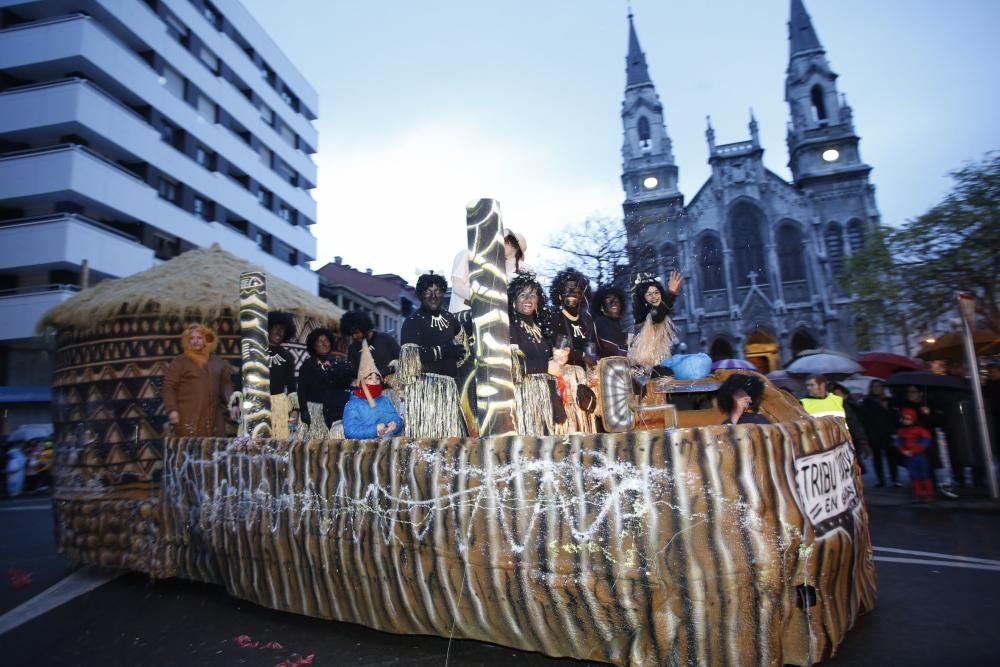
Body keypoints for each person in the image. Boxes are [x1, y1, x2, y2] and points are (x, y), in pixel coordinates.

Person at [399, 273, 466, 437]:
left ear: (443, 293)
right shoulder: (413, 321)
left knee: (450, 438)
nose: (434, 296)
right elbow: (410, 359)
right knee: (429, 438)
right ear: (420, 294)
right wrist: (444, 351)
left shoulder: (450, 319)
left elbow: (463, 347)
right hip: (425, 390)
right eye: (428, 291)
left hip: (449, 388)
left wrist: (459, 353)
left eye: (438, 291)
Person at [508, 272, 565, 435]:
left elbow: (549, 364)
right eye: (522, 295)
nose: (528, 299)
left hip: (546, 395)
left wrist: (556, 358)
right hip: (526, 398)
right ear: (513, 299)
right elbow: (513, 367)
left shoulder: (540, 328)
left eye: (532, 295)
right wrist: (546, 366)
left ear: (538, 300)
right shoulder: (511, 327)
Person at [549, 268, 599, 433]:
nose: (572, 294)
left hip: (584, 379)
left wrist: (592, 366)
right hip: (565, 379)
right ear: (559, 294)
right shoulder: (555, 317)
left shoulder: (586, 320)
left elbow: (592, 348)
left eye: (576, 290)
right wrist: (582, 355)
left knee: (586, 424)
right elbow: (557, 348)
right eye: (567, 290)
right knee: (569, 426)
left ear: (582, 294)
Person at [163, 324, 233, 437]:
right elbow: (169, 387)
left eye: (199, 338)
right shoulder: (180, 362)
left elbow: (225, 384)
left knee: (215, 451)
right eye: (192, 338)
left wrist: (232, 404)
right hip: (188, 416)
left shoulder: (217, 361)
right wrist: (172, 410)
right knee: (190, 450)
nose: (195, 341)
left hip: (214, 416)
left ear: (207, 339)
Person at [449, 229, 530, 312]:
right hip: (461, 313)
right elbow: (457, 287)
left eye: (507, 241)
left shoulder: (496, 265)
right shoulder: (465, 254)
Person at [298, 327, 354, 440]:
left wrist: (332, 369)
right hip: (315, 410)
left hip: (334, 412)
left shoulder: (337, 362)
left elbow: (345, 384)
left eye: (326, 341)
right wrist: (303, 410)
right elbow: (302, 389)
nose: (324, 344)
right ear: (314, 345)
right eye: (320, 341)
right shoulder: (307, 365)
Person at [342, 342, 404, 440]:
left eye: (377, 378)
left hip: (386, 446)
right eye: (370, 378)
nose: (375, 380)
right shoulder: (353, 404)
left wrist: (395, 424)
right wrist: (374, 430)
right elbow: (350, 431)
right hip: (363, 450)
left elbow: (395, 417)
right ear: (362, 382)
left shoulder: (384, 400)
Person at [628, 271, 683, 369]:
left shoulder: (660, 314)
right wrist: (671, 294)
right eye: (648, 294)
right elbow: (657, 316)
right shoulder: (645, 315)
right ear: (643, 298)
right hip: (644, 368)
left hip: (656, 364)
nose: (654, 297)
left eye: (656, 292)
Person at [861, 379, 902, 487]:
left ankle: (894, 479)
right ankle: (880, 480)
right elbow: (864, 420)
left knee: (892, 457)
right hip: (875, 434)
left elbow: (895, 416)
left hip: (890, 433)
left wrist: (896, 430)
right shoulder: (867, 402)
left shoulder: (890, 401)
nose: (877, 389)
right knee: (877, 457)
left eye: (879, 386)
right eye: (874, 386)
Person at [266, 311, 300, 439]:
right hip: (256, 401)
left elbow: (291, 384)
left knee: (279, 443)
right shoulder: (255, 352)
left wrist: (295, 409)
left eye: (282, 330)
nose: (279, 332)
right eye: (275, 328)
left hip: (278, 404)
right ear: (268, 329)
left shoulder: (287, 356)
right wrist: (236, 403)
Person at [341, 310, 400, 379]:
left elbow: (401, 361)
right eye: (351, 334)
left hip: (390, 386)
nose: (354, 336)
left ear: (364, 327)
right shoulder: (352, 348)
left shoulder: (386, 339)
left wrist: (382, 372)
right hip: (366, 388)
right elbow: (353, 373)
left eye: (356, 332)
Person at [894, 407, 934, 502]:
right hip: (911, 456)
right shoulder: (901, 431)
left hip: (919, 456)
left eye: (908, 419)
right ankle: (918, 493)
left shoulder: (921, 430)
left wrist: (913, 451)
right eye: (905, 419)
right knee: (914, 476)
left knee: (924, 475)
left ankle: (929, 494)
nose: (906, 421)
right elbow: (899, 443)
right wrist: (903, 451)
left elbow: (925, 442)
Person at [831, 382, 871, 464]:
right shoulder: (831, 408)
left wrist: (863, 442)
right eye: (835, 394)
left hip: (851, 440)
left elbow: (856, 425)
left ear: (845, 395)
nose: (838, 396)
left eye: (840, 394)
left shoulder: (850, 407)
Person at [591, 285, 628, 358]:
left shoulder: (620, 324)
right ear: (601, 307)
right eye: (609, 300)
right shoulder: (602, 322)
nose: (614, 303)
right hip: (608, 365)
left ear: (621, 305)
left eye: (617, 300)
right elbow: (612, 348)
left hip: (622, 364)